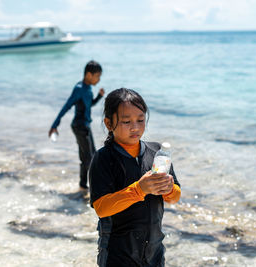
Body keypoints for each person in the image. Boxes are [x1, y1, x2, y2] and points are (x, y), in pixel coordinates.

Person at [89, 88, 181, 267]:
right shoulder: (104, 158)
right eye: (126, 121)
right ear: (108, 123)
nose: (135, 127)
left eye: (140, 120)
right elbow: (102, 208)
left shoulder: (157, 152)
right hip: (117, 255)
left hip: (154, 252)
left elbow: (175, 196)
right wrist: (139, 190)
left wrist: (169, 189)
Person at [49, 60, 105, 191]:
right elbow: (67, 106)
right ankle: (94, 188)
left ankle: (82, 186)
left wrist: (99, 97)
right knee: (89, 157)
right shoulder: (79, 89)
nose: (98, 79)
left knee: (88, 156)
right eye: (97, 76)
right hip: (79, 127)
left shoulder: (89, 88)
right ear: (89, 75)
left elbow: (89, 104)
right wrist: (55, 124)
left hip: (85, 126)